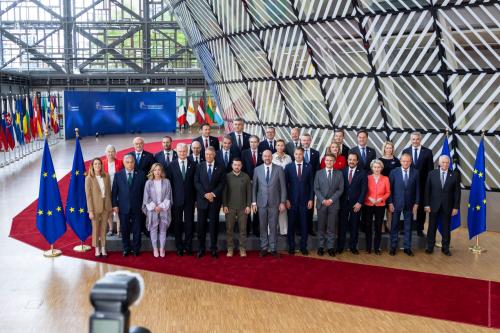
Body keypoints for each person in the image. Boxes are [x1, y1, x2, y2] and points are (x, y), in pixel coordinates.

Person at [252, 150, 287, 258]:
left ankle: (273, 248)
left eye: (269, 156)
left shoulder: (279, 169)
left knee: (273, 226)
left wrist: (282, 202)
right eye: (265, 156)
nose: (267, 158)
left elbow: (283, 187)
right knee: (262, 226)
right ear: (262, 157)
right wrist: (253, 202)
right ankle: (264, 247)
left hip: (275, 203)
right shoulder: (257, 170)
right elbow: (254, 187)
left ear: (272, 157)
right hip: (261, 203)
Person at [424, 155, 461, 256]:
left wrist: (456, 207)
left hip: (448, 206)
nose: (445, 164)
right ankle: (430, 247)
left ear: (449, 164)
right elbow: (427, 191)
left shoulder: (454, 175)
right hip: (433, 206)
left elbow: (457, 192)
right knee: (431, 227)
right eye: (443, 162)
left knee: (446, 228)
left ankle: (445, 249)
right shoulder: (432, 174)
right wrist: (426, 205)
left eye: (447, 163)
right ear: (439, 163)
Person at [194, 146, 226, 258]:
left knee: (214, 226)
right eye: (207, 154)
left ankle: (213, 248)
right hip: (202, 201)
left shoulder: (220, 167)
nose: (208, 156)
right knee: (200, 227)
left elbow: (222, 183)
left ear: (214, 155)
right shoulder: (199, 166)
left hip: (214, 201)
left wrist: (212, 194)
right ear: (204, 155)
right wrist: (205, 194)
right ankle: (201, 248)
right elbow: (196, 182)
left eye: (211, 154)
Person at [112, 155, 146, 257]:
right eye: (127, 162)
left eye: (132, 162)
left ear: (134, 163)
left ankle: (136, 249)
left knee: (137, 229)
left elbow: (145, 192)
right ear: (124, 163)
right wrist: (115, 205)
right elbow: (114, 192)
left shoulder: (141, 174)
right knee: (125, 229)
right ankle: (126, 248)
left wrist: (143, 205)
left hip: (137, 206)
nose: (130, 164)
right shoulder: (118, 175)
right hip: (123, 207)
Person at [166, 143, 196, 256]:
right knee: (177, 223)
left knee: (189, 223)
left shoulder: (193, 164)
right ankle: (178, 246)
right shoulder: (171, 165)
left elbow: (195, 183)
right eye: (180, 151)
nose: (182, 153)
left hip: (190, 199)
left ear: (187, 151)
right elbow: (169, 184)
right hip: (176, 199)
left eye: (184, 151)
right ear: (176, 152)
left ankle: (188, 246)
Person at [402, 132, 434, 237]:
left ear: (420, 140)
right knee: (408, 206)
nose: (415, 141)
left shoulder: (428, 152)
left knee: (420, 208)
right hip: (409, 185)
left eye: (417, 139)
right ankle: (408, 228)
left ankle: (420, 229)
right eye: (413, 139)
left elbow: (430, 170)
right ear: (410, 140)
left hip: (423, 185)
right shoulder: (405, 151)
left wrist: (429, 185)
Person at [388, 153, 420, 256]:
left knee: (408, 226)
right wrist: (390, 202)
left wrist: (416, 203)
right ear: (400, 161)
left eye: (408, 161)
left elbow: (418, 190)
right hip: (396, 203)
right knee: (394, 226)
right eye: (403, 161)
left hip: (410, 204)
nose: (405, 163)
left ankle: (407, 247)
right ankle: (393, 247)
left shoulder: (416, 173)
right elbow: (390, 190)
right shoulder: (394, 172)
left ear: (411, 162)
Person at [284, 147, 314, 255]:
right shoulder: (288, 167)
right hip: (291, 201)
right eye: (296, 154)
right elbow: (285, 185)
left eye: (300, 154)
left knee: (304, 225)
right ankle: (291, 246)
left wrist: (311, 199)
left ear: (303, 155)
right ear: (293, 155)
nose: (298, 156)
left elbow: (311, 185)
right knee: (291, 225)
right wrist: (286, 199)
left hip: (305, 201)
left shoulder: (309, 167)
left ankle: (303, 247)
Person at [314, 153, 344, 257]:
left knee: (331, 227)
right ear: (324, 161)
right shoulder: (318, 173)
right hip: (322, 204)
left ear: (334, 162)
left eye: (331, 160)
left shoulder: (339, 173)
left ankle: (331, 247)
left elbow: (341, 189)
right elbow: (316, 188)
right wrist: (323, 200)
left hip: (333, 204)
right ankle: (321, 247)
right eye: (327, 160)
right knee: (321, 226)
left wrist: (331, 200)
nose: (329, 162)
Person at [338, 152, 367, 255]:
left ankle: (353, 246)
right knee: (342, 225)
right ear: (347, 160)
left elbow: (364, 189)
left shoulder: (362, 173)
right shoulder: (342, 171)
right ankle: (340, 246)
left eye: (354, 160)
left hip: (356, 204)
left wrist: (360, 202)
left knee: (354, 225)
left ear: (357, 161)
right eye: (350, 159)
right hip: (343, 203)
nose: (352, 161)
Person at [222, 158, 252, 257]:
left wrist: (248, 206)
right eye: (235, 165)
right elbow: (224, 192)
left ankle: (242, 248)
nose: (237, 167)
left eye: (239, 165)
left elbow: (249, 193)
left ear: (241, 166)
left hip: (243, 208)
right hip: (230, 207)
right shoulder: (227, 177)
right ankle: (230, 248)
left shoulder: (246, 177)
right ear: (232, 165)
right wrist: (225, 205)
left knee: (243, 230)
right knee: (229, 229)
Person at [142, 163, 172, 258]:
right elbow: (146, 197)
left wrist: (161, 206)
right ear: (152, 171)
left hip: (163, 209)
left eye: (159, 170)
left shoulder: (167, 182)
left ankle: (162, 248)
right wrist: (155, 207)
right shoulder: (148, 183)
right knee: (153, 229)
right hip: (152, 209)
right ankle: (155, 248)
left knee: (163, 229)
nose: (157, 172)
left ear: (162, 171)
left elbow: (168, 195)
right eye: (155, 170)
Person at [85, 157, 112, 258]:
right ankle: (97, 248)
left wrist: (110, 206)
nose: (97, 166)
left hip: (106, 206)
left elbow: (109, 191)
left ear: (101, 165)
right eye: (95, 164)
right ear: (92, 166)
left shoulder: (106, 176)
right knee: (96, 228)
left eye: (99, 164)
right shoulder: (88, 178)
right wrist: (90, 211)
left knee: (104, 228)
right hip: (95, 207)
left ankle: (103, 247)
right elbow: (88, 196)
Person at [364, 160, 391, 255]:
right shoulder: (367, 178)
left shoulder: (386, 179)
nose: (376, 169)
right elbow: (364, 190)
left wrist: (381, 199)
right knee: (368, 226)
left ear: (381, 168)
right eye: (375, 167)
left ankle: (376, 248)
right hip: (368, 204)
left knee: (378, 227)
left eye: (378, 167)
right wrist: (369, 197)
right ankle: (368, 248)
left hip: (380, 205)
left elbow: (388, 192)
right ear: (372, 168)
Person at [241, 135, 261, 237]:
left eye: (255, 142)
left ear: (258, 143)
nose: (253, 144)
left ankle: (257, 230)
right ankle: (247, 229)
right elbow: (242, 168)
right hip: (247, 184)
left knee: (258, 207)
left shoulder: (262, 153)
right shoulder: (244, 153)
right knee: (247, 206)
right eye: (251, 142)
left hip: (260, 185)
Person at [379, 141, 400, 233]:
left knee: (390, 207)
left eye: (390, 148)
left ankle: (389, 225)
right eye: (387, 147)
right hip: (381, 187)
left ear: (393, 149)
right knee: (380, 207)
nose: (388, 149)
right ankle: (381, 226)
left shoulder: (396, 161)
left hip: (393, 187)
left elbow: (399, 174)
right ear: (384, 149)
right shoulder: (379, 160)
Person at [272, 139, 292, 236]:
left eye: (282, 145)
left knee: (283, 208)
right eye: (278, 145)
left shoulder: (288, 158)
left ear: (284, 147)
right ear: (275, 146)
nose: (280, 147)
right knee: (273, 209)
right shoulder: (271, 157)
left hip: (285, 184)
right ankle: (272, 230)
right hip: (274, 186)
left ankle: (284, 231)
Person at [102, 144, 123, 236]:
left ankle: (119, 230)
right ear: (105, 153)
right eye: (108, 151)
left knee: (118, 210)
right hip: (106, 190)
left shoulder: (120, 162)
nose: (110, 153)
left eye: (112, 151)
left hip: (118, 190)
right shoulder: (102, 163)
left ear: (115, 153)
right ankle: (110, 229)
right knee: (108, 210)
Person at [301, 133, 320, 236]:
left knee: (310, 206)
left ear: (310, 140)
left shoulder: (315, 153)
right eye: (304, 140)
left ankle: (309, 228)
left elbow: (317, 168)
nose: (305, 142)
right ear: (301, 141)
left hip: (311, 184)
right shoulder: (298, 152)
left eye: (307, 140)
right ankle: (300, 228)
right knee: (300, 206)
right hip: (301, 183)